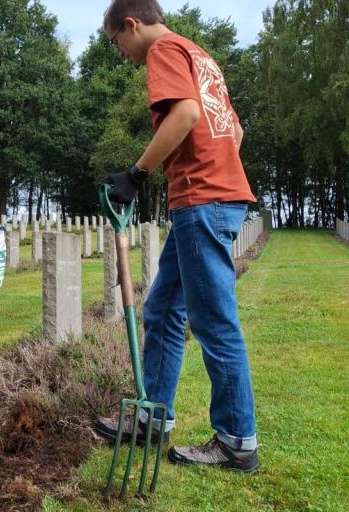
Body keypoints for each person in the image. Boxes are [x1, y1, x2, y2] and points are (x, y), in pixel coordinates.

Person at [94, 0, 259, 473]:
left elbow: (185, 113)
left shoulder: (163, 51)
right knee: (163, 309)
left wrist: (137, 174)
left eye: (116, 43)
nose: (121, 54)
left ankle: (236, 441)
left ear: (131, 24)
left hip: (203, 203)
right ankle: (153, 417)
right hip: (211, 198)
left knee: (213, 320)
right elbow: (236, 130)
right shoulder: (199, 54)